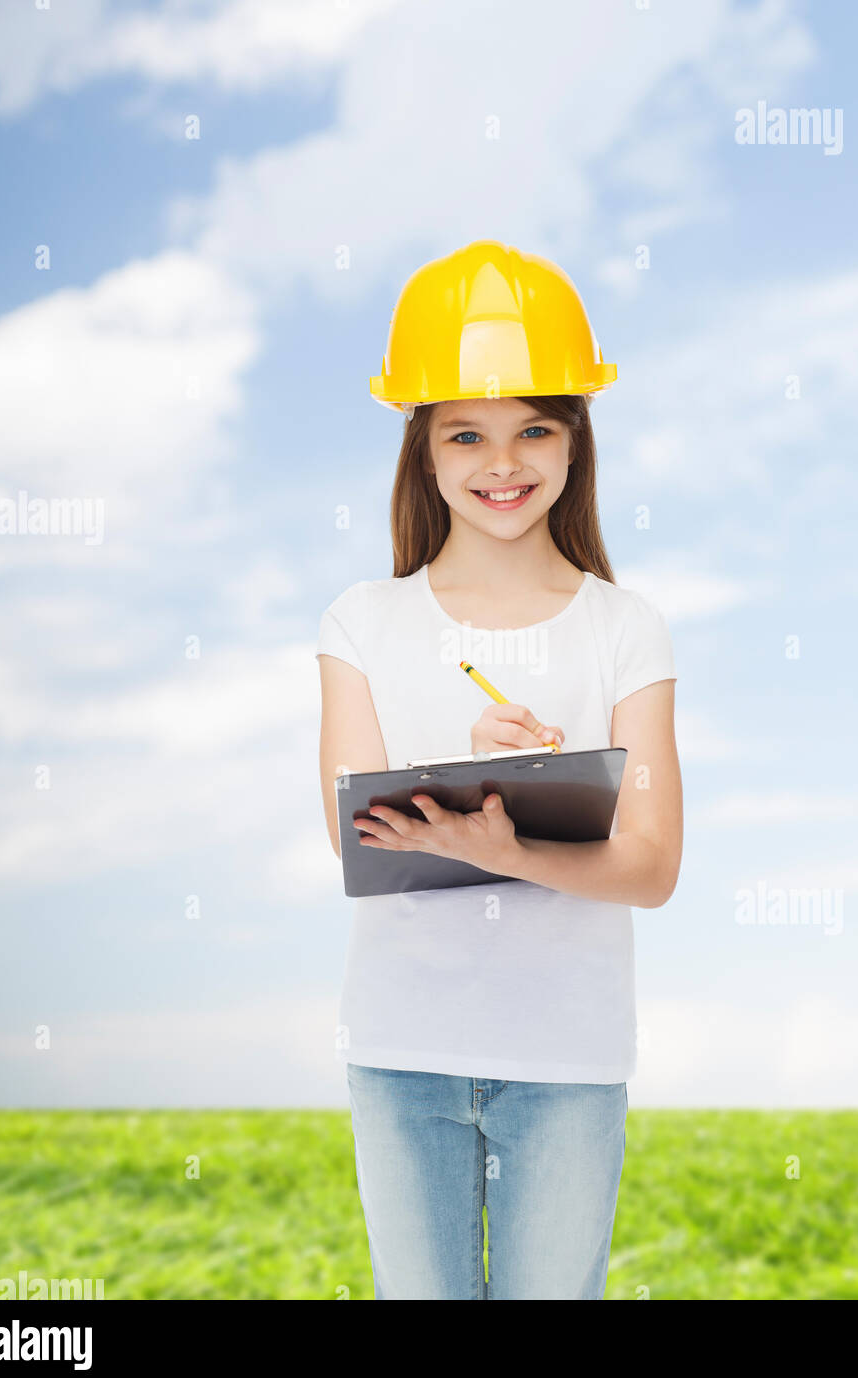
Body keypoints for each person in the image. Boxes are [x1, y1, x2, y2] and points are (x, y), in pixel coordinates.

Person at [316, 239, 683, 1300]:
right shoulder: (363, 622)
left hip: (567, 1061)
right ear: (422, 452)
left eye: (534, 427)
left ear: (575, 441)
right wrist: (483, 800)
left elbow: (651, 865)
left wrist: (512, 837)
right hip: (401, 1049)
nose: (502, 460)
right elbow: (356, 835)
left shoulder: (626, 628)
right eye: (464, 432)